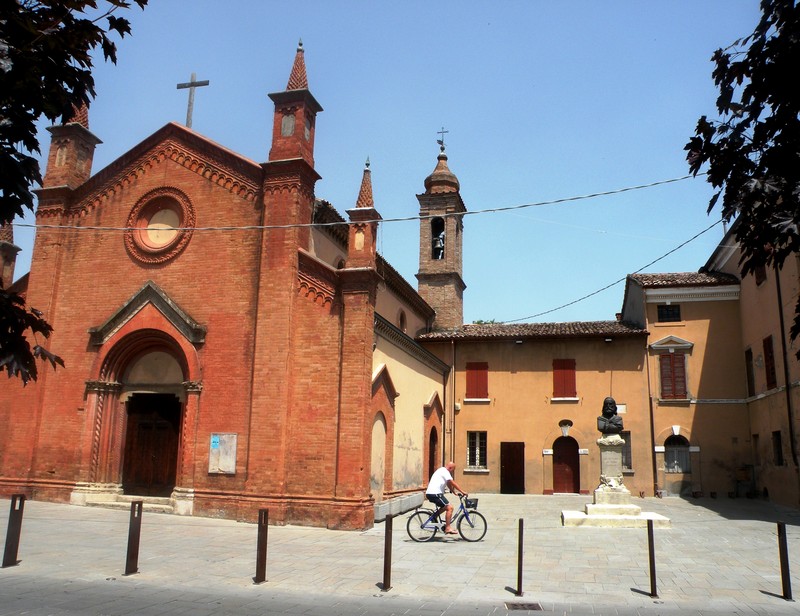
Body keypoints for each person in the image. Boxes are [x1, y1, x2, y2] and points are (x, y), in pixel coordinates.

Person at [425, 461, 467, 535]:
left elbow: (448, 483)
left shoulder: (442, 470)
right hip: (435, 493)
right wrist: (462, 491)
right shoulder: (445, 471)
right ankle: (448, 528)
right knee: (450, 508)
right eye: (453, 470)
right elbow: (451, 482)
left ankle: (433, 517)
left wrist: (453, 492)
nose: (452, 472)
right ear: (450, 468)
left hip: (433, 493)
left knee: (445, 507)